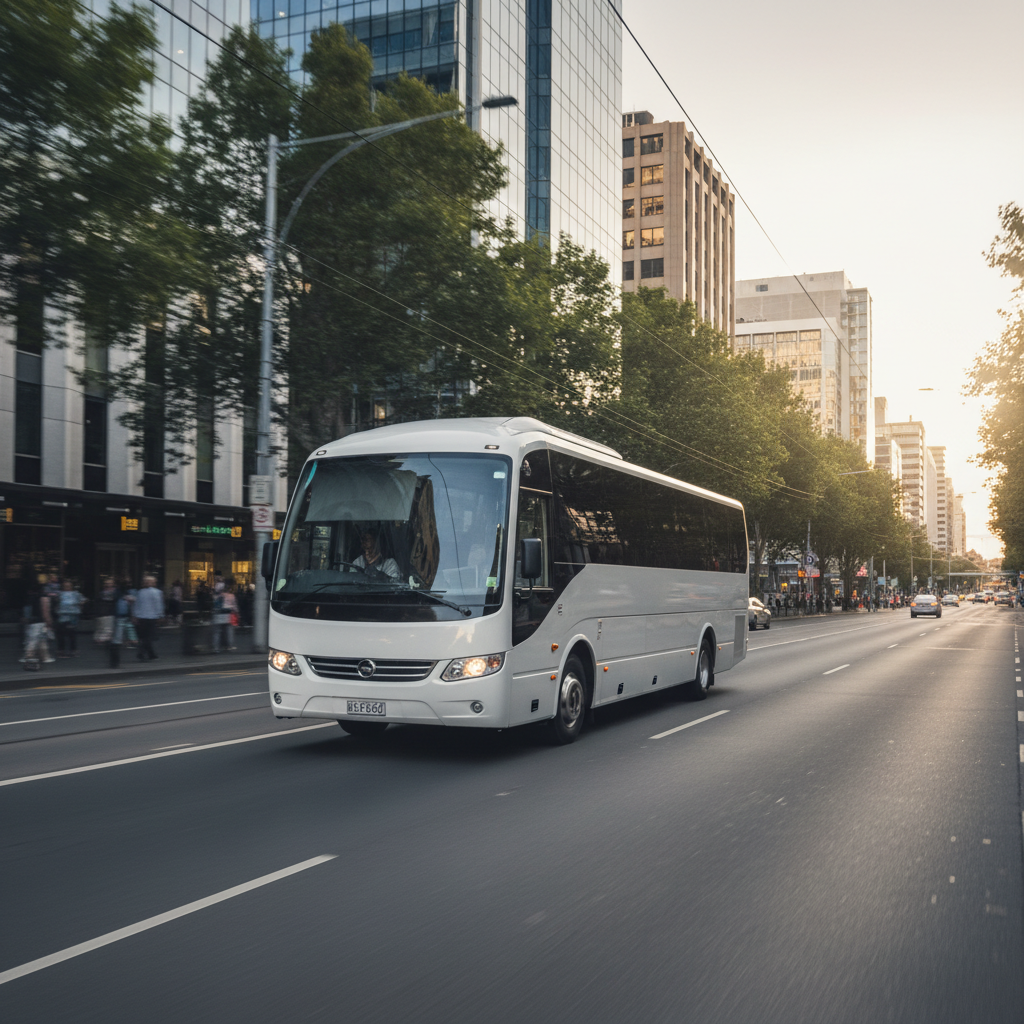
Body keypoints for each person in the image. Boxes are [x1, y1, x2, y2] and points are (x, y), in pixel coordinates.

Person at [21, 576, 56, 667]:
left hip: (32, 621)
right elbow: (45, 611)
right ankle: (30, 656)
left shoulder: (30, 597)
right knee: (36, 639)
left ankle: (44, 656)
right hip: (40, 621)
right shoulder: (44, 598)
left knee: (39, 639)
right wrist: (49, 622)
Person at [133, 575, 164, 660]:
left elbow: (137, 605)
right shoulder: (157, 592)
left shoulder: (140, 592)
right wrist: (161, 615)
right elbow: (158, 605)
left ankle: (151, 654)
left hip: (141, 617)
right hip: (152, 617)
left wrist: (135, 615)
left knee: (144, 637)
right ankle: (143, 653)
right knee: (149, 637)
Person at [55, 579, 86, 657]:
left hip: (73, 615)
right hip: (62, 615)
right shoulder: (60, 594)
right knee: (61, 633)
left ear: (71, 586)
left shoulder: (76, 594)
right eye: (65, 586)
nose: (67, 588)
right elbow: (56, 601)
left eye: (68, 586)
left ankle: (73, 650)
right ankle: (61, 650)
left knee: (72, 633)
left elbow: (83, 600)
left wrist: (79, 605)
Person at [212, 578, 238, 653]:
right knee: (229, 631)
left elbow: (214, 604)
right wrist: (237, 613)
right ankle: (229, 646)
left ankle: (216, 648)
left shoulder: (218, 596)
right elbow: (234, 607)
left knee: (217, 632)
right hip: (228, 614)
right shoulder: (231, 595)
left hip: (218, 613)